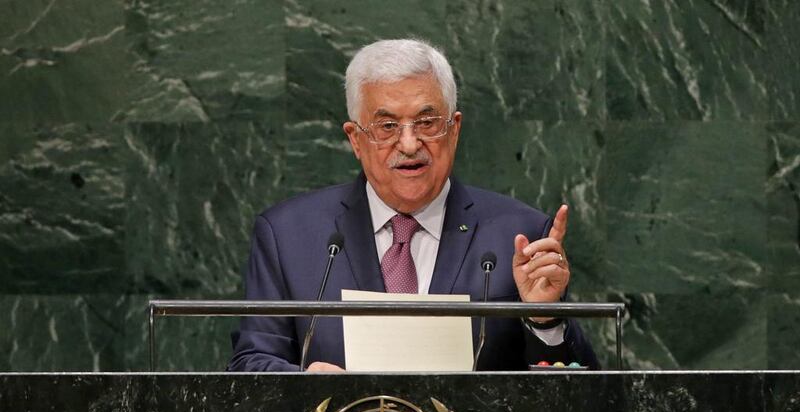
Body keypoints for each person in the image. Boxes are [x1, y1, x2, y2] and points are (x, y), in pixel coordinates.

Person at [227, 38, 598, 372]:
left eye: (426, 122)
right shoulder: (288, 235)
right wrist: (306, 384)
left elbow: (579, 397)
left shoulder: (519, 234)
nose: (408, 144)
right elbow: (252, 360)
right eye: (387, 126)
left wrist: (545, 320)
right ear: (355, 140)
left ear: (454, 130)